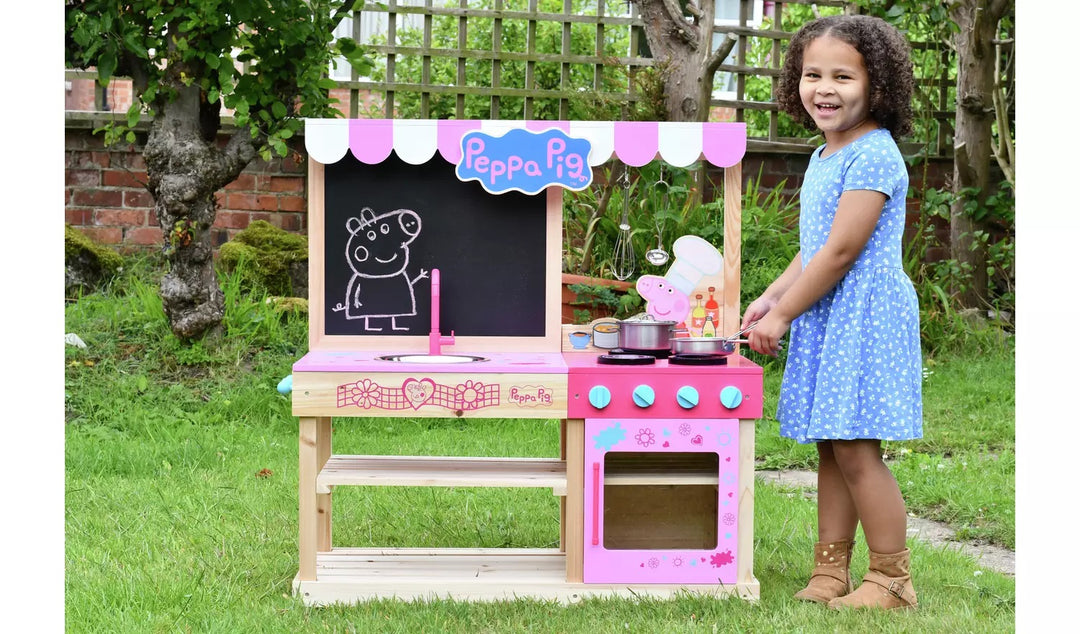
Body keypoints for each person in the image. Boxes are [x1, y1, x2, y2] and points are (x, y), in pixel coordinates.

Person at [741, 14, 921, 610]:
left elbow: (843, 252)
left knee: (855, 448)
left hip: (863, 313)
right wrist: (771, 295)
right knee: (830, 443)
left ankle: (892, 579)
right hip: (833, 312)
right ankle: (831, 570)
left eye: (843, 76)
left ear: (877, 86)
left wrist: (783, 316)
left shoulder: (874, 155)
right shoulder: (826, 154)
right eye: (812, 74)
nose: (824, 87)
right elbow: (814, 247)